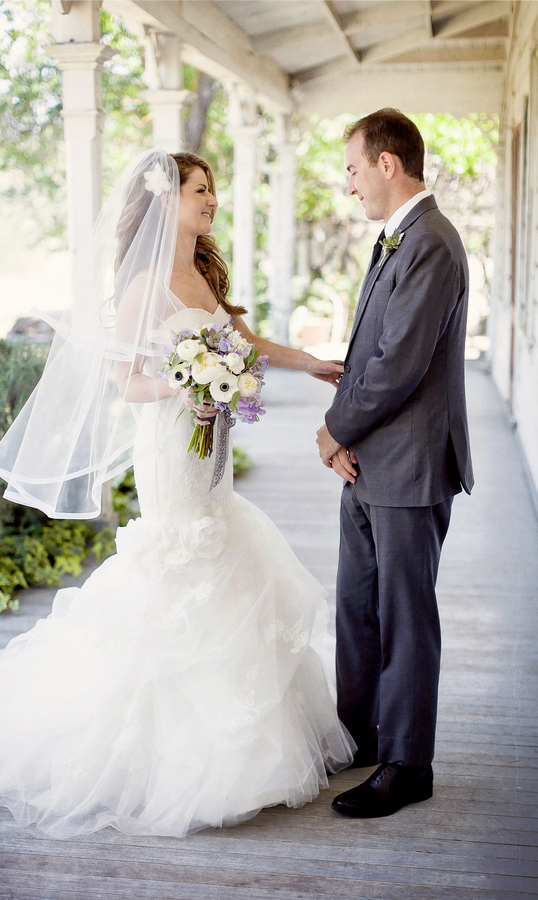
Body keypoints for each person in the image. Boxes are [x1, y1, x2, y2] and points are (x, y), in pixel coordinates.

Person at [0, 150, 354, 839]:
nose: (211, 199)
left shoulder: (202, 273)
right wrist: (191, 387)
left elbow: (243, 342)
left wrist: (308, 362)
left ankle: (249, 742)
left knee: (227, 546)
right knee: (179, 561)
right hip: (172, 445)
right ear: (167, 201)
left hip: (211, 449)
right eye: (199, 189)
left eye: (213, 189)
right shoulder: (141, 287)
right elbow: (129, 383)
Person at [316, 109, 473, 819]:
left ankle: (409, 765)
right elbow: (370, 350)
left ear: (386, 164)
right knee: (358, 609)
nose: (348, 185)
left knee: (405, 616)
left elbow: (401, 364)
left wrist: (331, 428)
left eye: (352, 168)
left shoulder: (432, 242)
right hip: (369, 461)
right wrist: (348, 433)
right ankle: (367, 737)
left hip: (409, 466)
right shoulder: (397, 240)